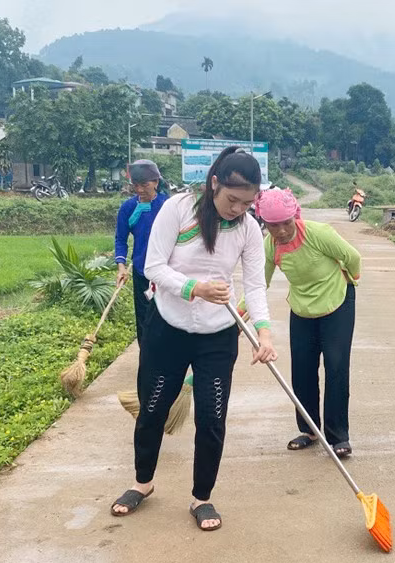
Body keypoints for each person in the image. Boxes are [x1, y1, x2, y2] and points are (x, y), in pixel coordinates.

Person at [110, 147, 277, 531]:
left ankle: (202, 497)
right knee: (153, 408)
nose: (238, 209)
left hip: (217, 335)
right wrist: (194, 288)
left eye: (247, 203)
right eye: (233, 200)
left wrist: (264, 334)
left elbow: (254, 285)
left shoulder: (249, 229)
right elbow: (153, 266)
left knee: (212, 418)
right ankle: (142, 482)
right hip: (168, 327)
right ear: (214, 183)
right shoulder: (179, 209)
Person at [251, 188, 362, 458]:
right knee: (302, 370)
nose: (281, 230)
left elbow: (352, 257)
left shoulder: (319, 233)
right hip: (302, 308)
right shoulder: (270, 245)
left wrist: (351, 279)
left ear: (295, 216)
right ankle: (309, 430)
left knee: (336, 367)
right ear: (264, 223)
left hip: (337, 302)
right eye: (273, 225)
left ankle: (338, 436)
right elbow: (258, 284)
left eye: (286, 223)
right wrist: (241, 311)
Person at [115, 159, 170, 343]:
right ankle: (146, 354)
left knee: (167, 319)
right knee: (144, 319)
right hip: (142, 271)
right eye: (135, 185)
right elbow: (120, 239)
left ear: (156, 182)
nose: (139, 190)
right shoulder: (128, 208)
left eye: (144, 185)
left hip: (168, 272)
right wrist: (121, 267)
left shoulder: (168, 206)